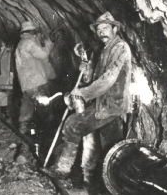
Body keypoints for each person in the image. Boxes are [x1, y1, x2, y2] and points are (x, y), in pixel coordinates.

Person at [46, 12, 131, 183]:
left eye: (105, 28)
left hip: (110, 104)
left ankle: (63, 169)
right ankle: (96, 180)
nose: (101, 32)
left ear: (115, 28)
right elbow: (94, 78)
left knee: (73, 125)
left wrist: (83, 93)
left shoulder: (120, 48)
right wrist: (86, 69)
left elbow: (108, 79)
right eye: (99, 29)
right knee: (110, 146)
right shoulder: (106, 49)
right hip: (104, 103)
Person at [15, 21, 57, 135]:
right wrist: (49, 43)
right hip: (36, 82)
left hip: (26, 84)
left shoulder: (20, 44)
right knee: (44, 108)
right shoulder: (29, 43)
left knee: (27, 108)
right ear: (31, 32)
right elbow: (43, 54)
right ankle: (46, 134)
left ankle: (23, 131)